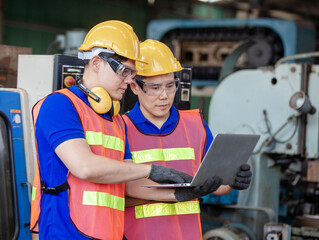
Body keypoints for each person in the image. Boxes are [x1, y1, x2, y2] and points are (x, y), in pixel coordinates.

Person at [29, 21, 193, 240]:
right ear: (96, 62)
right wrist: (150, 170)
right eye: (124, 71)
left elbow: (125, 180)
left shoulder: (115, 119)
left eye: (132, 73)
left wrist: (179, 193)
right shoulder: (59, 105)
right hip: (66, 233)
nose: (128, 80)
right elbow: (85, 167)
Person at [123, 39, 253, 240]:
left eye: (170, 85)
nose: (164, 96)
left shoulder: (196, 125)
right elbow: (113, 194)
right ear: (134, 86)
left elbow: (215, 185)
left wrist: (232, 180)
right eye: (155, 87)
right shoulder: (119, 128)